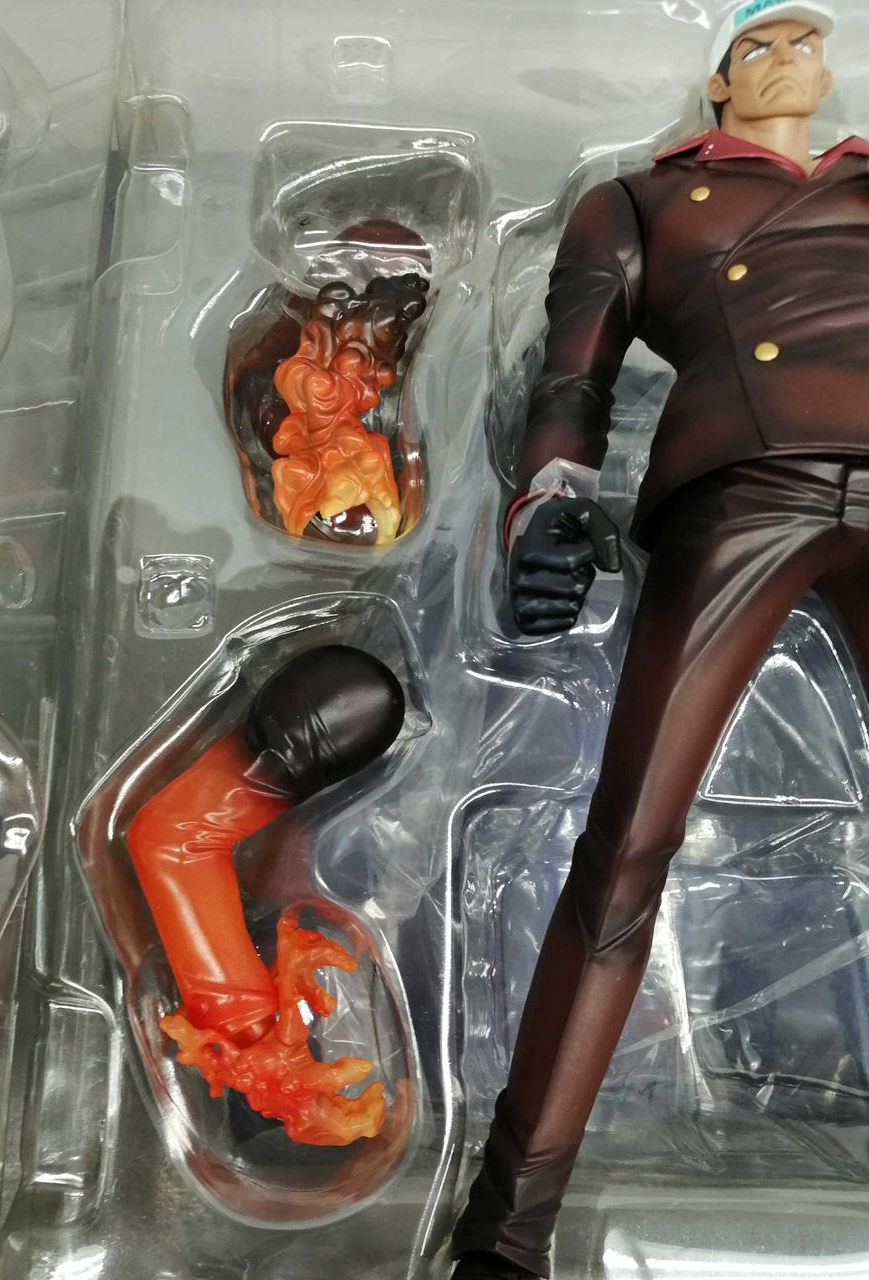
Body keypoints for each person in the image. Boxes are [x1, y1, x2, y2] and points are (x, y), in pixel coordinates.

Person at [451, 3, 868, 1276]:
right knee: (627, 845)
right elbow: (572, 377)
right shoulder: (639, 201)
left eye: (808, 38)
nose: (791, 56)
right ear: (717, 82)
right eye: (760, 43)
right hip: (744, 486)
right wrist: (548, 503)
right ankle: (504, 1235)